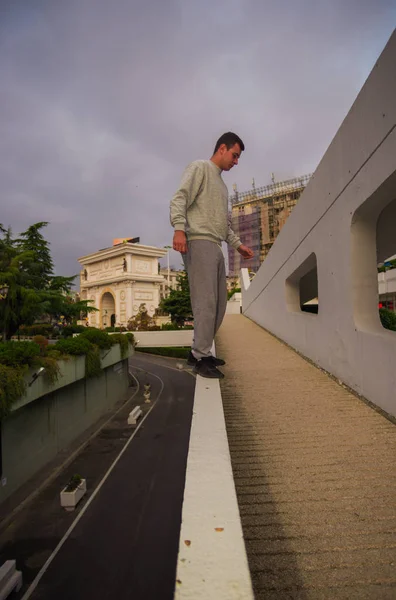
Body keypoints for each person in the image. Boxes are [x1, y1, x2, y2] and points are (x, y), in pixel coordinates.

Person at [170, 132, 254, 379]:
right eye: (235, 155)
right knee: (205, 302)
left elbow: (223, 223)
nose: (236, 162)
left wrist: (238, 245)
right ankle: (200, 357)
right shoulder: (200, 168)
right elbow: (180, 198)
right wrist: (178, 229)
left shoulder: (222, 186)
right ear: (222, 149)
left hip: (216, 245)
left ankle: (200, 352)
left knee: (218, 305)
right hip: (198, 241)